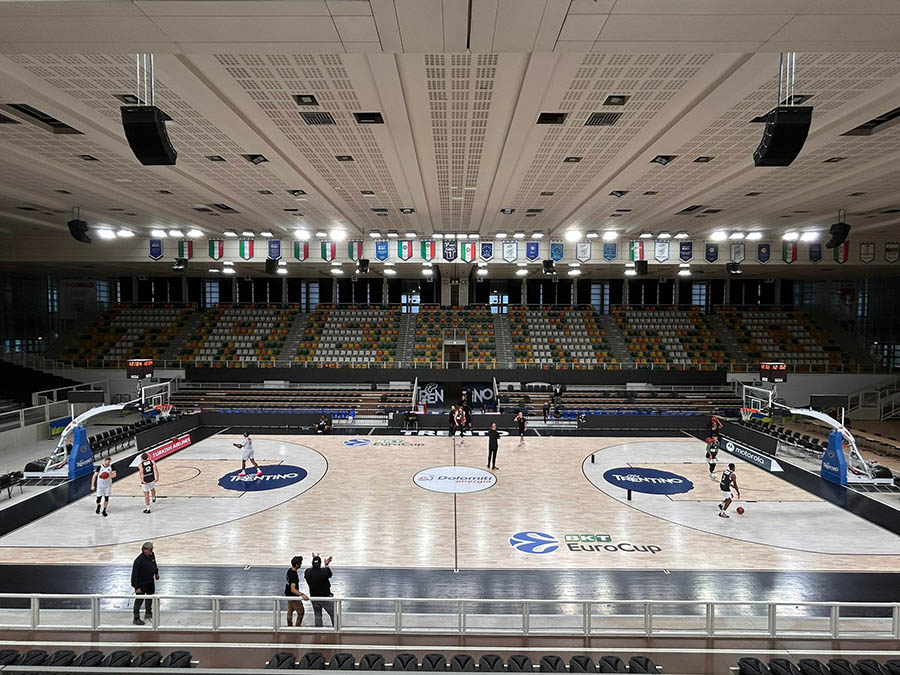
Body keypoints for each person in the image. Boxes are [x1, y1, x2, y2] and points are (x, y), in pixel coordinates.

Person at [131, 541, 159, 625]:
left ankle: (148, 613)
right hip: (142, 584)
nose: (151, 551)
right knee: (139, 601)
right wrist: (136, 587)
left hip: (150, 582)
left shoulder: (152, 555)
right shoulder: (138, 561)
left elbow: (154, 564)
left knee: (150, 598)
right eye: (150, 549)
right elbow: (134, 575)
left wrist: (156, 573)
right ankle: (136, 618)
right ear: (144, 550)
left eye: (152, 549)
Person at [304, 554, 334, 627]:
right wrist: (326, 564)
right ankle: (336, 628)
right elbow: (330, 574)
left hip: (314, 597)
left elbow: (311, 570)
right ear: (320, 564)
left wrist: (315, 559)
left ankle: (318, 630)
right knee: (333, 613)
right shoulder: (324, 571)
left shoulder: (307, 572)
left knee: (317, 615)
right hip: (325, 597)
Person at [284, 556, 309, 627]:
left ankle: (289, 626)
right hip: (293, 596)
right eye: (300, 563)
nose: (301, 564)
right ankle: (297, 627)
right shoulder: (294, 575)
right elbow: (293, 589)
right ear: (297, 564)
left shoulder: (289, 570)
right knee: (301, 612)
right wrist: (302, 594)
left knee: (290, 611)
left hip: (288, 595)